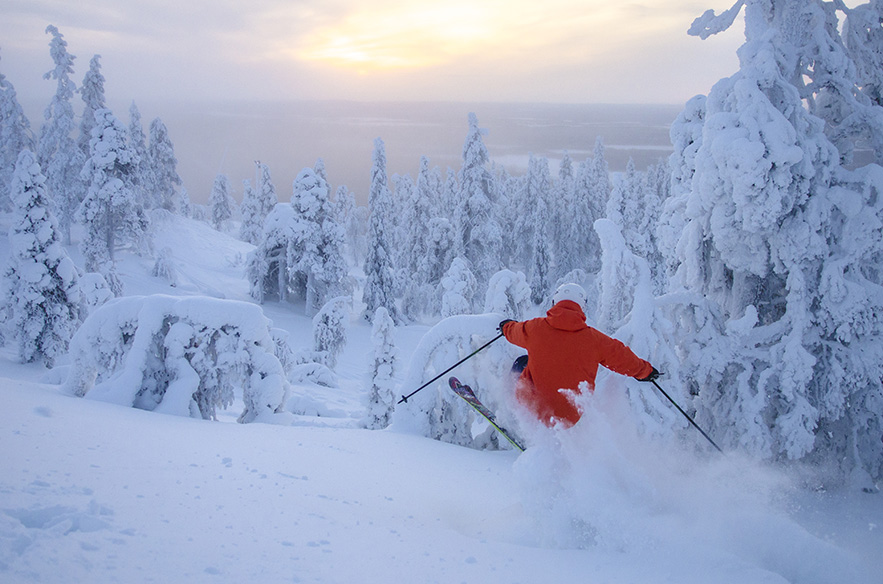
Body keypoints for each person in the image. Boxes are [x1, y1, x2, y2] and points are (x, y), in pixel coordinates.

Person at [499, 283, 659, 427]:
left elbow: (512, 332)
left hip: (534, 408)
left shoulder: (535, 328)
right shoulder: (595, 339)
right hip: (570, 416)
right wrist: (646, 372)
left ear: (555, 303)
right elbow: (622, 357)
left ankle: (513, 415)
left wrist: (506, 326)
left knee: (521, 362)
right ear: (582, 308)